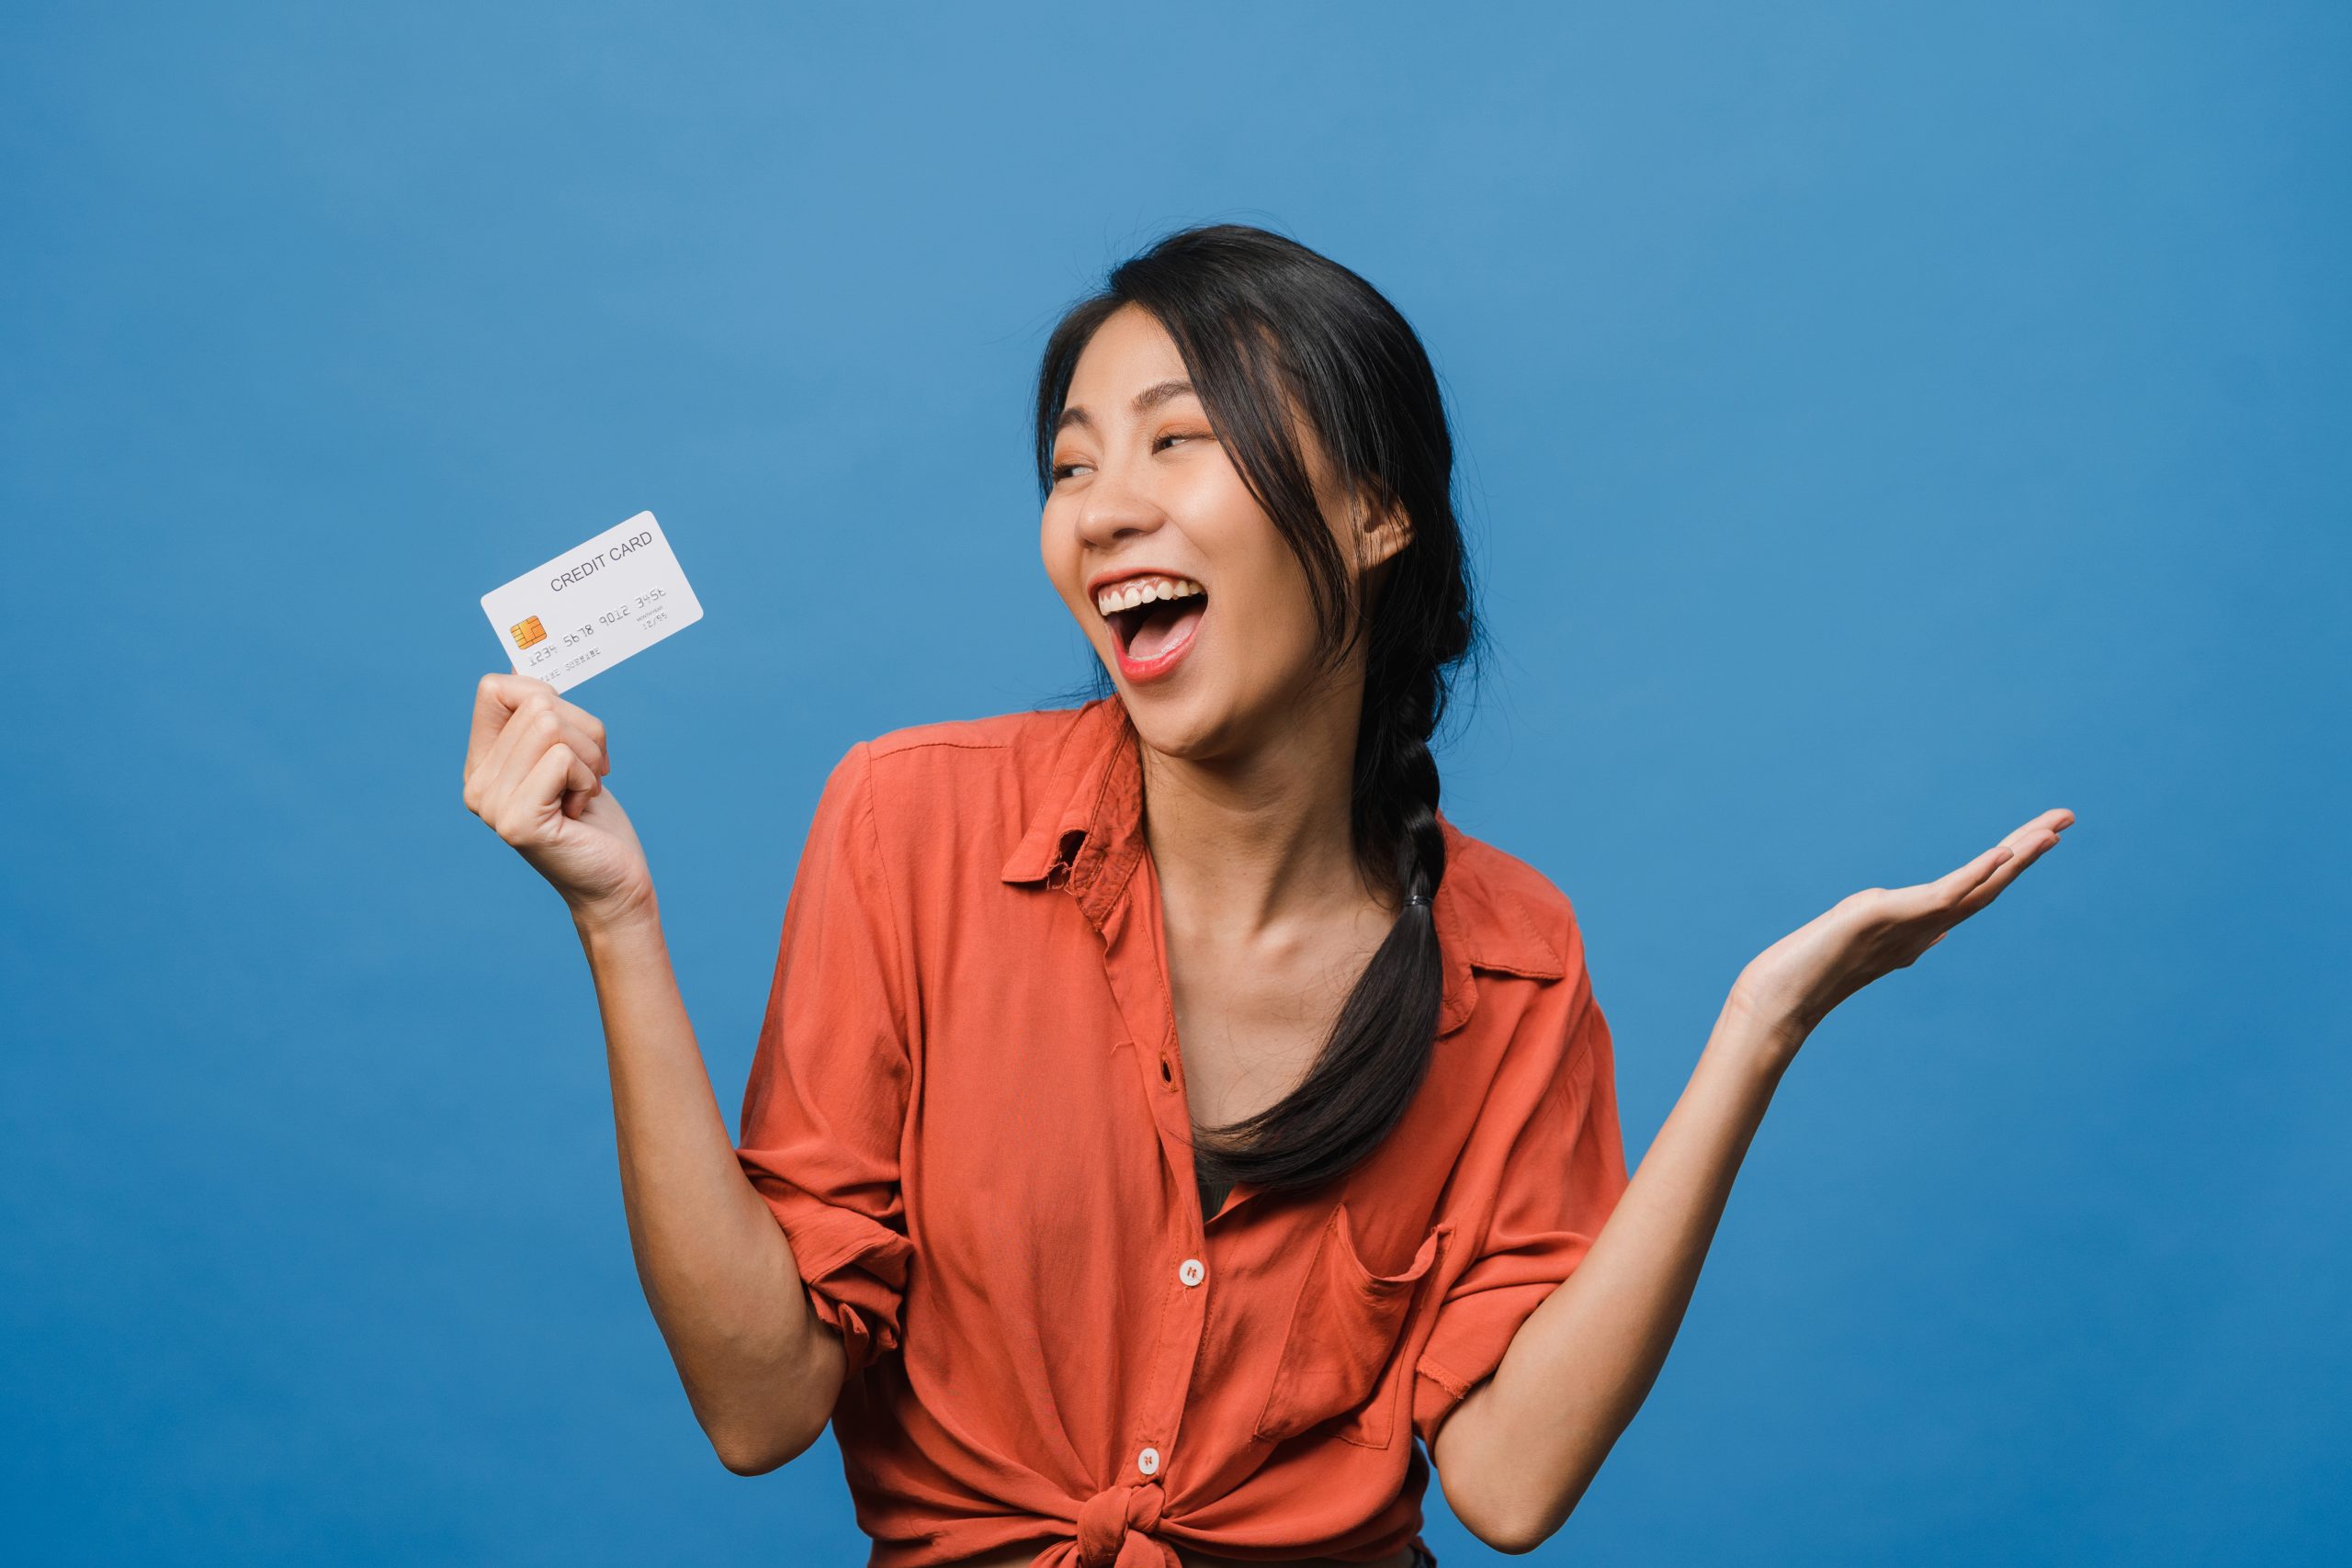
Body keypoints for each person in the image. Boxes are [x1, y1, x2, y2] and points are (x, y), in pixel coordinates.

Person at [459, 223, 2071, 1568]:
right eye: (1072, 462)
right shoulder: (911, 825)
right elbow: (760, 1407)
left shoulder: (1509, 963)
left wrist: (1759, 1032)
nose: (1102, 508)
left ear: (1375, 516)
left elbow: (1508, 1485)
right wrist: (616, 918)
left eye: (1180, 439)